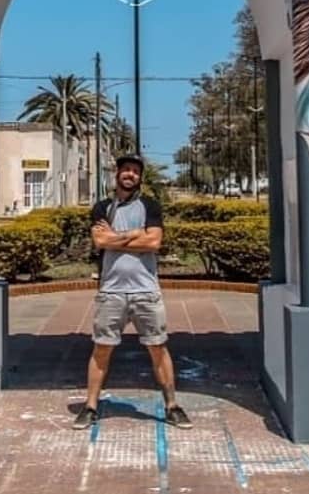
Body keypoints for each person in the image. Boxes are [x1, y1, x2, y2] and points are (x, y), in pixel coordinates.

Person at [72, 153, 193, 430]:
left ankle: (172, 405)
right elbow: (100, 240)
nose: (130, 175)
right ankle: (90, 406)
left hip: (146, 291)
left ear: (140, 177)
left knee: (157, 347)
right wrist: (135, 234)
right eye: (125, 170)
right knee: (101, 349)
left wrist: (117, 238)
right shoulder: (102, 207)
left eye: (135, 171)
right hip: (111, 291)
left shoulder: (150, 205)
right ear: (117, 174)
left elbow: (154, 243)